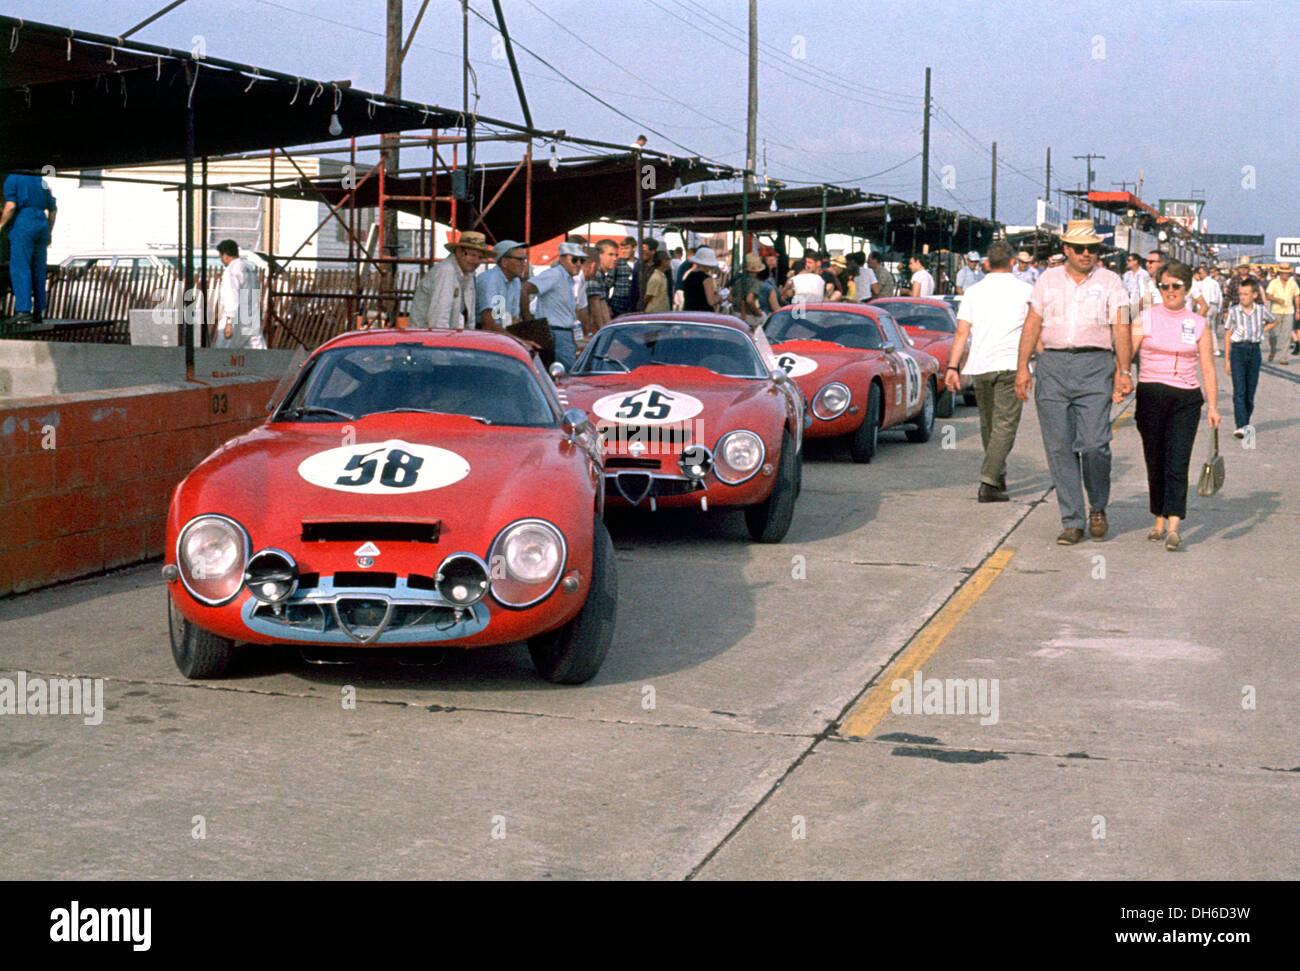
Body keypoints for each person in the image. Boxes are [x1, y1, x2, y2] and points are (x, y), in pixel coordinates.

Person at [1015, 219, 1133, 545]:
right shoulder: (1046, 281)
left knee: (1095, 443)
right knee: (1059, 447)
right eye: (1079, 248)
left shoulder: (1111, 282)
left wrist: (1124, 371)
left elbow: (1121, 326)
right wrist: (1022, 367)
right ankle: (1072, 519)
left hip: (1095, 366)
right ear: (1066, 249)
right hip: (1052, 365)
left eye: (1092, 249)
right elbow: (1032, 324)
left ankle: (1097, 505)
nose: (1086, 254)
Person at [1128, 261, 1220, 551]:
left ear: (1187, 289)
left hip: (1186, 398)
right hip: (1151, 394)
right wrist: (1119, 379)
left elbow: (1207, 366)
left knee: (1178, 460)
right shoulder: (1145, 318)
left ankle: (1174, 524)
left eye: (1176, 286)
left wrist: (1213, 405)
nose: (1170, 291)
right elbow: (1127, 354)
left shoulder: (1198, 323)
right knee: (1155, 459)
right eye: (1165, 285)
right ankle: (1158, 517)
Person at [947, 240, 1032, 502]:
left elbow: (962, 331)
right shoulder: (1026, 290)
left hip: (980, 366)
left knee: (989, 424)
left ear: (986, 265)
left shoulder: (973, 292)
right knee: (1005, 425)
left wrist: (952, 367)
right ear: (1012, 263)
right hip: (1011, 364)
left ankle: (998, 473)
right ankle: (989, 482)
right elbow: (1034, 328)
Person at [0, 172, 57, 325]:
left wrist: (0, 225)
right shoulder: (41, 181)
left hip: (23, 223)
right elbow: (53, 210)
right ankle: (38, 312)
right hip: (42, 225)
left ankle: (23, 311)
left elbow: (11, 206)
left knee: (21, 267)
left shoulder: (12, 178)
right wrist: (49, 232)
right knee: (38, 269)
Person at [1223, 278, 1276, 440]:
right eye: (1240, 294)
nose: (1242, 297)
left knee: (1250, 392)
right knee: (1239, 390)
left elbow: (1274, 320)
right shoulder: (1234, 311)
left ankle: (1246, 421)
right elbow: (1227, 334)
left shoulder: (1260, 310)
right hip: (1238, 351)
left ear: (1254, 295)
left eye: (1246, 294)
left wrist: (1261, 330)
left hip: (1254, 351)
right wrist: (1227, 359)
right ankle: (1241, 426)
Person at [520, 241, 586, 370]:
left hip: (560, 332)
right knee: (567, 374)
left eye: (581, 260)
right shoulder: (554, 275)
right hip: (555, 333)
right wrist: (528, 321)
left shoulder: (566, 279)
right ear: (562, 259)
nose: (578, 264)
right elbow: (525, 289)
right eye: (575, 259)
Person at [409, 231, 491, 329]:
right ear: (458, 252)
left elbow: (470, 318)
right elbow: (439, 320)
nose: (476, 261)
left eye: (480, 257)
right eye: (472, 255)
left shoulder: (467, 274)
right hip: (429, 339)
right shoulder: (446, 272)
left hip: (446, 336)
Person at [214, 239, 266, 349]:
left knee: (223, 354)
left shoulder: (231, 270)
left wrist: (229, 322)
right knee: (257, 352)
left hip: (237, 318)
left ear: (225, 255)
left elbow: (231, 297)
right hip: (251, 316)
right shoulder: (249, 268)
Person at [1263, 262, 1298, 364]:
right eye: (1283, 273)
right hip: (1276, 311)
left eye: (1287, 273)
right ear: (1280, 273)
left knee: (1286, 335)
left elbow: (1297, 296)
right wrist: (1276, 299)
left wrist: (1298, 310)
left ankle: (1284, 357)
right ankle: (1273, 350)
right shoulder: (1274, 283)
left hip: (1288, 311)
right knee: (1274, 334)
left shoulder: (1293, 283)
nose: (1285, 275)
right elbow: (1268, 296)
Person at [680, 246, 723, 311]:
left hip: (689, 312)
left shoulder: (689, 275)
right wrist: (720, 298)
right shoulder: (706, 278)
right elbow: (711, 301)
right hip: (703, 313)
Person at [732, 252, 766, 327]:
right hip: (748, 316)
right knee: (765, 318)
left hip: (735, 313)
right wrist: (758, 313)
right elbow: (749, 300)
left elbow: (729, 298)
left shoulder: (738, 281)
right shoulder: (756, 282)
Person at [609, 236, 640, 316]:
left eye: (626, 248)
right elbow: (608, 284)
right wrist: (608, 305)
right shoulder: (617, 263)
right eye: (622, 249)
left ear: (634, 248)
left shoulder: (640, 264)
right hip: (617, 306)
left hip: (634, 306)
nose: (623, 251)